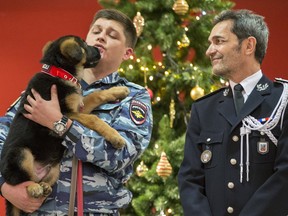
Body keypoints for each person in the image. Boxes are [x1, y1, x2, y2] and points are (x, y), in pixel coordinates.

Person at [0, 9, 153, 215]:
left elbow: (120, 155)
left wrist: (59, 123)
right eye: (96, 31)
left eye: (112, 34)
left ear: (127, 53)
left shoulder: (133, 97)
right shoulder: (48, 85)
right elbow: (4, 137)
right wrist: (6, 187)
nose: (101, 36)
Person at [178, 9, 288, 216]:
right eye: (211, 43)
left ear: (248, 45)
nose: (210, 50)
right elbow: (190, 180)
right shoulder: (203, 109)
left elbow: (285, 175)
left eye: (219, 41)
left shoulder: (283, 100)